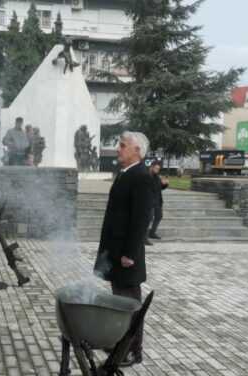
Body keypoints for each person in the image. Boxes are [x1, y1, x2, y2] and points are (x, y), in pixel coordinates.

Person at [93, 131, 153, 367]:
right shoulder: (126, 174)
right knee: (120, 301)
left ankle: (132, 351)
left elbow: (141, 220)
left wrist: (130, 253)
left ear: (137, 150)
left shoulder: (141, 177)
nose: (118, 149)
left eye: (122, 145)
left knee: (130, 304)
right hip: (116, 253)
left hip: (126, 256)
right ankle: (120, 342)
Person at [148, 160, 169, 240]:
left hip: (158, 201)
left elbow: (159, 188)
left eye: (158, 169)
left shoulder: (157, 177)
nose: (157, 170)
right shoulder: (147, 176)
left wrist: (165, 184)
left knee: (159, 216)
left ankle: (152, 233)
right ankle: (144, 237)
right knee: (149, 219)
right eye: (156, 168)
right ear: (152, 167)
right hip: (150, 202)